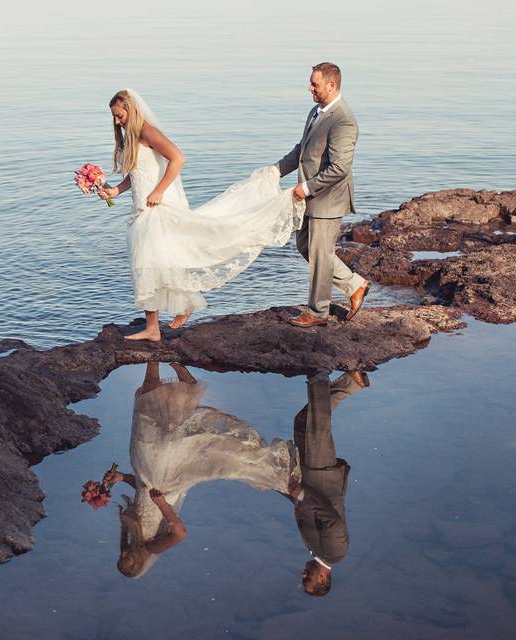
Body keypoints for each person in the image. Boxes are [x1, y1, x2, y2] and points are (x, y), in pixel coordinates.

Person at [97, 89, 304, 342]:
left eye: (120, 116)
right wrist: (114, 190)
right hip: (141, 209)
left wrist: (159, 191)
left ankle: (157, 325)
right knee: (156, 264)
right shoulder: (132, 137)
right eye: (115, 118)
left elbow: (178, 158)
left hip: (156, 209)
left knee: (149, 264)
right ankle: (164, 320)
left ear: (132, 110)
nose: (118, 122)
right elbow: (138, 173)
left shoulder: (148, 131)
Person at [102, 362, 301, 578]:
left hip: (147, 474)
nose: (124, 557)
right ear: (138, 564)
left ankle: (164, 364)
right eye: (128, 563)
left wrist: (122, 478)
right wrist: (162, 505)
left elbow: (143, 494)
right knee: (155, 420)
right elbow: (179, 533)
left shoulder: (134, 536)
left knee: (159, 422)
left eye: (121, 558)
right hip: (163, 478)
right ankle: (157, 357)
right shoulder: (151, 547)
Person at [274, 62, 371, 328]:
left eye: (314, 84)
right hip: (311, 199)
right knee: (306, 247)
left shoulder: (344, 121)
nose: (310, 88)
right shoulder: (315, 112)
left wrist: (304, 188)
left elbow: (340, 168)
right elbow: (302, 150)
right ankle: (355, 284)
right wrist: (275, 171)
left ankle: (317, 312)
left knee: (319, 254)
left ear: (331, 85)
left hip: (328, 199)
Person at [284, 371, 369, 595]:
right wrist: (302, 494)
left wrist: (285, 490)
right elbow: (332, 521)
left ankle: (352, 383)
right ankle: (318, 373)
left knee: (303, 423)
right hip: (321, 474)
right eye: (307, 580)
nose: (303, 575)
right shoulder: (335, 553)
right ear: (322, 579)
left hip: (309, 473)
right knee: (317, 425)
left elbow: (305, 510)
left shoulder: (315, 550)